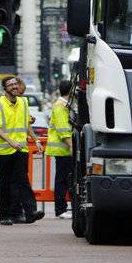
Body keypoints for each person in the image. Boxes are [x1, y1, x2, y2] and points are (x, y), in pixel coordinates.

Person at [0, 75, 40, 225]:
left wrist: (36, 140)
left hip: (21, 149)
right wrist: (11, 142)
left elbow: (26, 124)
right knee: (5, 183)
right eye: (10, 85)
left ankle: (30, 212)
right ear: (4, 88)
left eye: (15, 84)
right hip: (4, 151)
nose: (14, 86)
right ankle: (5, 215)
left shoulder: (24, 102)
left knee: (22, 180)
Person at [48, 79, 74, 218]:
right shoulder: (61, 106)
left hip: (63, 148)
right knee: (62, 180)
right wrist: (71, 145)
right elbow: (63, 129)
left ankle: (63, 208)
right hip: (63, 149)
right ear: (71, 91)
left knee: (64, 179)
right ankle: (60, 209)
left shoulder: (64, 105)